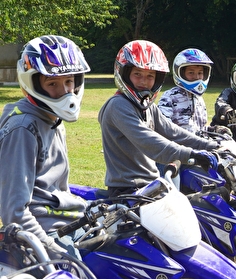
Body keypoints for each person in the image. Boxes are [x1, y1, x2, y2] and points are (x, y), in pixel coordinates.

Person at [0, 35, 91, 259]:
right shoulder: (23, 129)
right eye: (52, 84)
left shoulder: (52, 119)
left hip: (68, 221)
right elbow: (15, 212)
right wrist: (53, 250)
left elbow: (57, 188)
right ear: (32, 84)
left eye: (69, 81)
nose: (65, 91)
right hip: (47, 232)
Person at [98, 40, 219, 198]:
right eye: (137, 74)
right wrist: (191, 154)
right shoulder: (118, 105)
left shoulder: (146, 106)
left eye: (150, 76)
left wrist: (213, 145)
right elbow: (149, 142)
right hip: (128, 189)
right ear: (124, 73)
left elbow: (173, 131)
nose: (144, 81)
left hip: (151, 185)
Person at [157, 48, 213, 133]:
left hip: (198, 144)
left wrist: (213, 129)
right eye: (191, 73)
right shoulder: (169, 97)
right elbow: (163, 126)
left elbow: (200, 128)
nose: (197, 77)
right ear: (180, 73)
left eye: (200, 73)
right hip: (178, 144)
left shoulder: (199, 99)